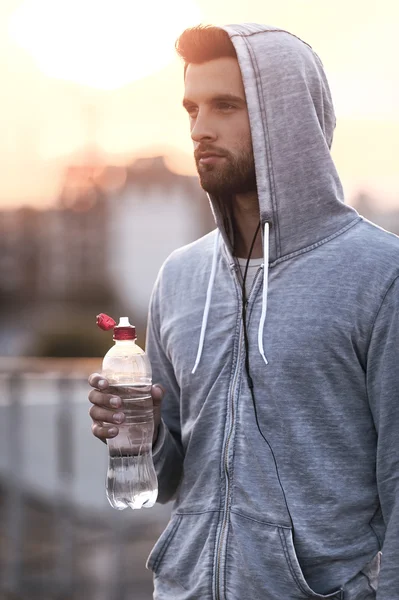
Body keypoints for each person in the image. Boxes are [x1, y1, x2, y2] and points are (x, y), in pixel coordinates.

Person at [88, 23, 399, 599]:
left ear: (288, 119)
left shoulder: (381, 275)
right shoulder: (179, 275)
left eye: (226, 106)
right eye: (192, 108)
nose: (200, 130)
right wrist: (145, 432)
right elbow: (174, 473)